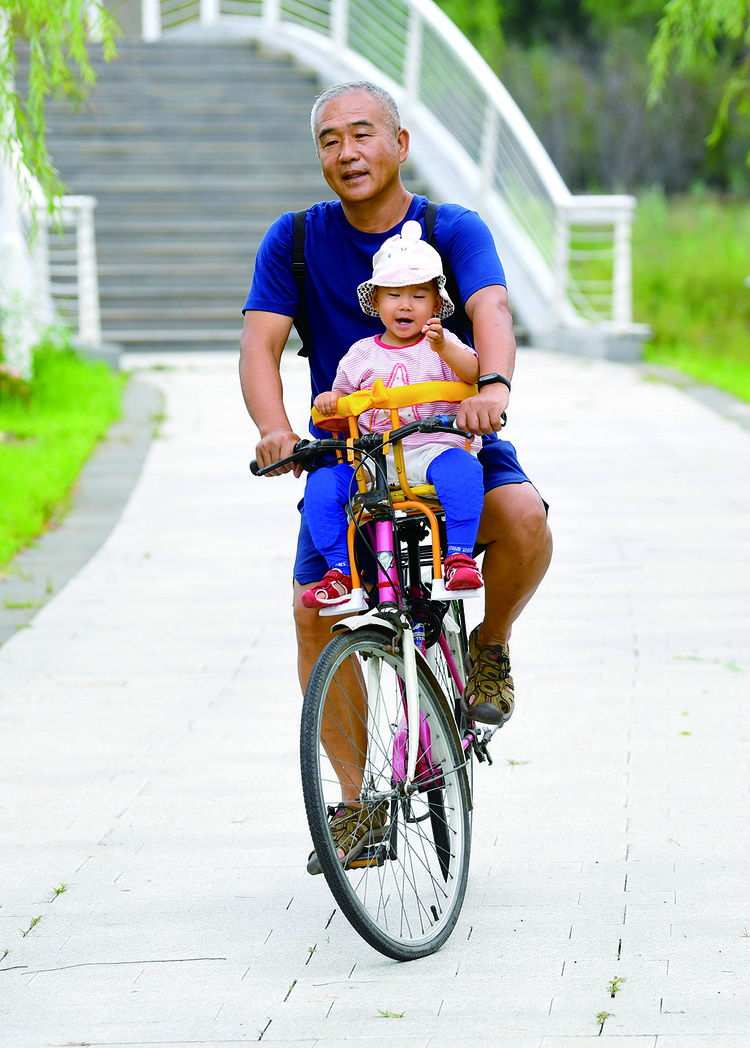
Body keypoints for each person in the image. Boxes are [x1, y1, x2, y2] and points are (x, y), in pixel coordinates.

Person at [240, 81, 553, 860]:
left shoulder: (452, 228)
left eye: (362, 134)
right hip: (353, 453)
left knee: (522, 520)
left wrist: (493, 389)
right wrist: (276, 428)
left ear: (400, 144)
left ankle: (491, 646)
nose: (346, 153)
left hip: (448, 436)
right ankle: (358, 804)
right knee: (315, 611)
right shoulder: (297, 240)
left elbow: (491, 313)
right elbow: (260, 346)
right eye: (329, 141)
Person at [302, 220, 485, 610]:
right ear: (377, 302)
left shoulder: (442, 343)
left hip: (432, 449)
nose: (405, 305)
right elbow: (339, 399)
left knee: (463, 471)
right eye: (394, 295)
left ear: (436, 305)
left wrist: (445, 349)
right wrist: (329, 401)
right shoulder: (361, 354)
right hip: (373, 459)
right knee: (321, 486)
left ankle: (459, 557)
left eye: (419, 296)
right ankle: (339, 570)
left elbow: (473, 372)